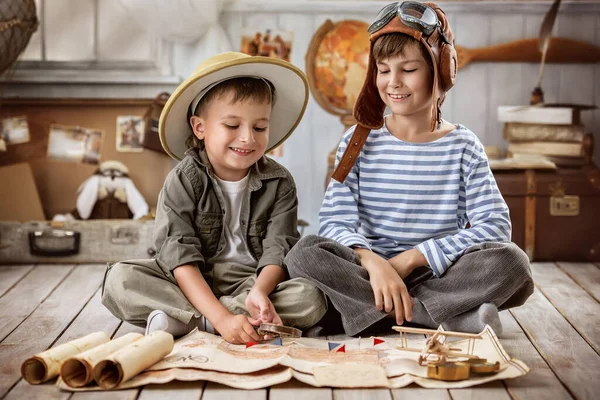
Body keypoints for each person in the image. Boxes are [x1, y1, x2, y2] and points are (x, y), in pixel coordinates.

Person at [285, 1, 533, 337]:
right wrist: (374, 264)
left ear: (440, 70)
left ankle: (374, 314)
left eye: (409, 70)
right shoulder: (357, 142)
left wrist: (413, 258)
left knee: (513, 263)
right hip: (369, 274)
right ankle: (441, 317)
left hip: (439, 272)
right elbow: (335, 222)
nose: (393, 83)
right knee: (304, 252)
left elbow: (495, 227)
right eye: (383, 70)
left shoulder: (464, 146)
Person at [102, 52, 326, 344]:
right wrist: (222, 319)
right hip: (189, 280)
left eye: (259, 127)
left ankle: (185, 321)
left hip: (251, 281)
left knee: (311, 297)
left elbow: (278, 249)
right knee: (120, 280)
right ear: (200, 127)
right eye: (232, 126)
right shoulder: (183, 180)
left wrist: (260, 292)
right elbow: (179, 257)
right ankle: (215, 320)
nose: (248, 138)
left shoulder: (279, 182)